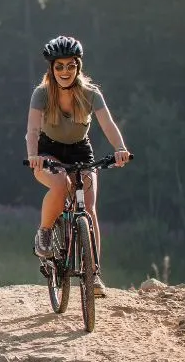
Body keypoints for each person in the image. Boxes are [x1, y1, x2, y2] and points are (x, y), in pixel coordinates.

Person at [25, 35, 130, 297]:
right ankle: (46, 233)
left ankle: (93, 275)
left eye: (70, 65)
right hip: (48, 150)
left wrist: (119, 148)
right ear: (51, 69)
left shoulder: (91, 94)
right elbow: (32, 129)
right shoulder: (41, 94)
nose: (64, 71)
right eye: (59, 66)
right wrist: (34, 155)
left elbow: (107, 124)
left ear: (78, 66)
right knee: (61, 186)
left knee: (89, 209)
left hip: (81, 150)